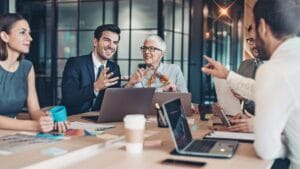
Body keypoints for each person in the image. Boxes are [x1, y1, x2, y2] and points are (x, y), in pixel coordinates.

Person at [202, 0, 300, 168]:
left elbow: (266, 150)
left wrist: (290, 144)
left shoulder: (274, 69)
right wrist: (227, 75)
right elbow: (261, 90)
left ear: (262, 26)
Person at [0, 13, 67, 133]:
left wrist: (46, 120)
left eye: (29, 33)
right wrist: (33, 126)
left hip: (9, 134)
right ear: (5, 36)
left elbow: (34, 110)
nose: (30, 38)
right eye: (22, 32)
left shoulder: (27, 67)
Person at [61, 24, 121, 116]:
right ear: (95, 42)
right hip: (74, 118)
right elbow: (68, 98)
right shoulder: (75, 63)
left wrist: (129, 85)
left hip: (100, 119)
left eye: (115, 42)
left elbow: (114, 100)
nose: (111, 46)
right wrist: (96, 87)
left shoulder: (114, 68)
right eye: (107, 40)